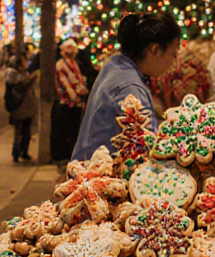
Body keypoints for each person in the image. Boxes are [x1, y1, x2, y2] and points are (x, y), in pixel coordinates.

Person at [72, 12, 182, 161]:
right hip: (100, 173)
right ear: (155, 49)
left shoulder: (115, 65)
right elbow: (147, 147)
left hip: (88, 161)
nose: (173, 63)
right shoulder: (130, 87)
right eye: (173, 54)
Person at [53, 39, 88, 170]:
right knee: (67, 132)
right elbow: (66, 85)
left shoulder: (74, 64)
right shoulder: (61, 65)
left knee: (74, 131)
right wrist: (77, 95)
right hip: (67, 104)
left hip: (76, 104)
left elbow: (79, 80)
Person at [5, 55, 38, 163]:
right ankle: (17, 153)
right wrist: (34, 76)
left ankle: (23, 152)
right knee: (19, 131)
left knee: (26, 131)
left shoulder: (21, 74)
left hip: (25, 107)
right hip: (20, 107)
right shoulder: (13, 74)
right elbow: (22, 84)